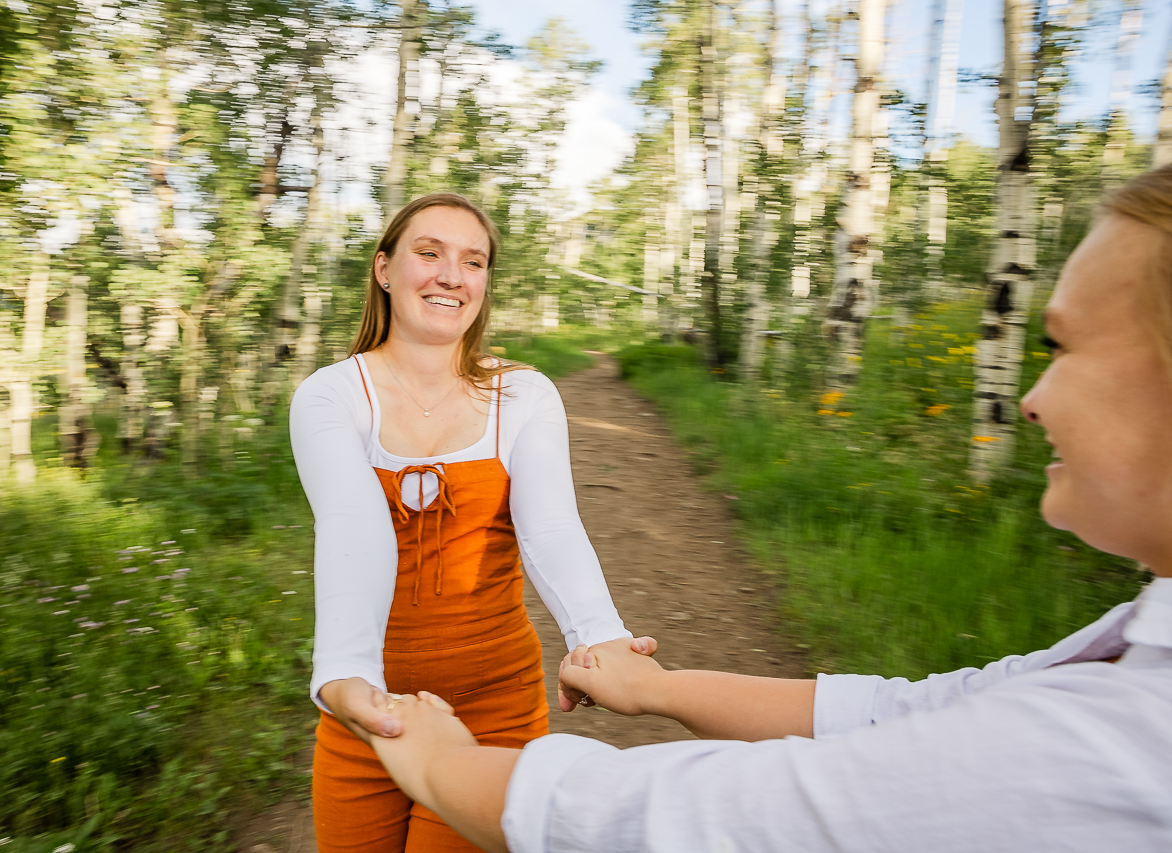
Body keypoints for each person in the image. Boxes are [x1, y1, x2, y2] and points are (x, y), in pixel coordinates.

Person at [366, 168, 1172, 853]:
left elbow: (727, 814)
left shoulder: (1125, 739)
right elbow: (909, 711)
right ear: (384, 268)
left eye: (1062, 347)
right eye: (429, 253)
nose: (1030, 400)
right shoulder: (1135, 652)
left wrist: (442, 766)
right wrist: (662, 688)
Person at [289, 192, 647, 853]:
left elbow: (552, 528)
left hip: (495, 710)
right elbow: (352, 525)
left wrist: (600, 636)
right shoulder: (331, 395)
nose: (452, 275)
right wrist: (346, 675)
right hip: (368, 710)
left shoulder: (525, 394)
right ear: (384, 269)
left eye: (473, 261)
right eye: (429, 253)